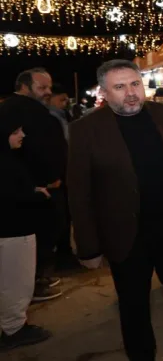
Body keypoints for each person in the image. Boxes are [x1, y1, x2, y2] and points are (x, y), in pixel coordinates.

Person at [67, 59, 163, 361]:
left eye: (135, 84)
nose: (131, 93)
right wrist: (89, 247)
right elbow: (80, 194)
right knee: (134, 305)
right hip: (126, 234)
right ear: (105, 92)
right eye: (120, 87)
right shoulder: (86, 129)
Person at [2, 69, 66, 302]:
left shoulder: (13, 108)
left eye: (49, 88)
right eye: (42, 88)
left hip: (30, 188)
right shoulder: (26, 112)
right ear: (25, 87)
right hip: (35, 191)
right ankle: (33, 287)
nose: (48, 92)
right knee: (35, 245)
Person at [0, 107, 53, 352]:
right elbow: (10, 195)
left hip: (13, 230)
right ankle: (14, 329)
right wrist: (36, 195)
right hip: (13, 232)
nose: (22, 135)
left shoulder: (10, 157)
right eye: (16, 131)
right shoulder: (5, 161)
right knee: (15, 282)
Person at [48, 85, 79, 270]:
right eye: (62, 99)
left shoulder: (63, 116)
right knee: (62, 215)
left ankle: (64, 252)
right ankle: (62, 254)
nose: (65, 103)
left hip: (66, 171)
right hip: (60, 174)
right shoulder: (51, 118)